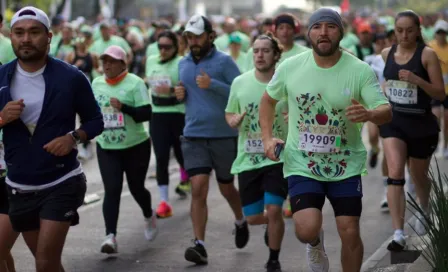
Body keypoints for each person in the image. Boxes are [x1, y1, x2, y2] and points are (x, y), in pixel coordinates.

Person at [260, 8, 392, 271]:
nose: (323, 32)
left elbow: (385, 110)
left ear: (341, 33)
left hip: (345, 165)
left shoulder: (359, 70)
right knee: (306, 229)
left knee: (349, 230)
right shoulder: (290, 67)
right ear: (308, 33)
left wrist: (368, 113)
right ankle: (315, 242)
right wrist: (267, 138)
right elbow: (268, 100)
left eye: (330, 27)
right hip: (302, 162)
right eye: (317, 26)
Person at [0, 6, 104, 272]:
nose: (26, 39)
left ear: (49, 37)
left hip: (61, 181)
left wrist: (73, 137)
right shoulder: (2, 76)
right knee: (47, 263)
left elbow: (95, 121)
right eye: (19, 33)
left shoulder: (71, 77)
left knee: (45, 260)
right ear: (10, 36)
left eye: (34, 32)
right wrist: (1, 119)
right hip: (19, 184)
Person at [174, 14, 249, 265]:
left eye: (197, 36)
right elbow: (188, 94)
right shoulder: (182, 64)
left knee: (227, 187)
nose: (193, 41)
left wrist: (213, 84)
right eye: (189, 36)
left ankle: (240, 220)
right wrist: (180, 94)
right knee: (198, 187)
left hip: (223, 136)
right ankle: (199, 244)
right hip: (193, 135)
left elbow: (241, 92)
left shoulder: (225, 61)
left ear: (210, 36)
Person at [380, 10, 445, 251]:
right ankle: (398, 233)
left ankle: (425, 207)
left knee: (418, 176)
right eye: (399, 30)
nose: (404, 35)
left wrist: (417, 81)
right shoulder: (387, 53)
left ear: (418, 30)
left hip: (420, 124)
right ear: (394, 31)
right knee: (395, 172)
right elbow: (385, 84)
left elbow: (440, 93)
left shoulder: (426, 55)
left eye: (409, 30)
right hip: (394, 122)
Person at [225, 33, 288, 272]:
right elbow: (229, 113)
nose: (260, 55)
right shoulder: (240, 82)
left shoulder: (285, 82)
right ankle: (271, 226)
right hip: (249, 158)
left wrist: (292, 116)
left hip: (277, 156)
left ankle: (274, 258)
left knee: (273, 209)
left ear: (276, 55)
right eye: (256, 51)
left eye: (265, 51)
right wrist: (233, 120)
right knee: (253, 217)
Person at [92, 45, 157, 254]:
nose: (107, 65)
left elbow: (146, 113)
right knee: (112, 189)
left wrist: (124, 107)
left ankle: (148, 214)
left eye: (111, 61)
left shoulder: (135, 84)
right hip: (107, 146)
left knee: (136, 188)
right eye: (104, 61)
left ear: (123, 64)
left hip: (135, 146)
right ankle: (110, 236)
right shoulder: (97, 83)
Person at [145, 31, 190, 219]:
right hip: (157, 115)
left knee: (182, 156)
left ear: (176, 47)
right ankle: (164, 202)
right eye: (160, 46)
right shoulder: (151, 60)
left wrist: (170, 90)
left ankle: (192, 187)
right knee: (161, 157)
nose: (163, 50)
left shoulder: (182, 63)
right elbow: (148, 82)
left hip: (178, 115)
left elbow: (188, 91)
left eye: (167, 47)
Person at [429, 19, 448, 159]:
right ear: (435, 33)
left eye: (443, 32)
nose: (441, 35)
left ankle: (446, 146)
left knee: (447, 120)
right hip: (434, 89)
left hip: (447, 91)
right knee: (435, 119)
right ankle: (434, 144)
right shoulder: (429, 48)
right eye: (438, 32)